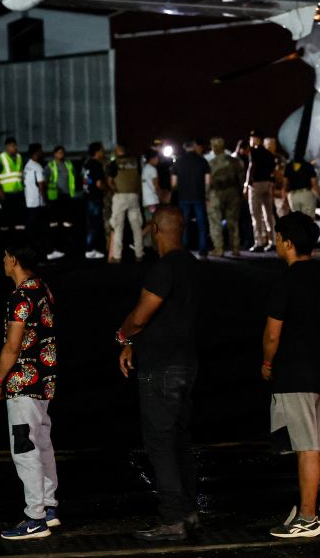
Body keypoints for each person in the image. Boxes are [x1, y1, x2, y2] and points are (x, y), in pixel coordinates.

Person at [116, 206, 200, 541]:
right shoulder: (193, 265)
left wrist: (123, 336)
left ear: (154, 229)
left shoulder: (163, 269)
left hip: (161, 366)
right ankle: (190, 512)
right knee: (180, 440)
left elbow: (141, 316)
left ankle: (171, 520)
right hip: (187, 363)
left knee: (160, 443)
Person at [262, 212, 320, 538]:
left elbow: (272, 333)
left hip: (296, 372)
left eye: (279, 237)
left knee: (306, 446)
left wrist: (267, 363)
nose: (278, 243)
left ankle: (307, 518)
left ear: (289, 243)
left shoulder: (286, 280)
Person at [0, 240, 60, 540]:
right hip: (44, 381)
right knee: (42, 443)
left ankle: (35, 517)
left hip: (22, 383)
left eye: (5, 256)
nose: (3, 261)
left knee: (25, 449)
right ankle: (49, 506)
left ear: (14, 260)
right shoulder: (42, 288)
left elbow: (12, 345)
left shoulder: (20, 297)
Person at [170, 140, 211, 255]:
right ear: (194, 147)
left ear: (184, 147)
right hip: (199, 196)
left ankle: (184, 247)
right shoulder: (202, 161)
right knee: (202, 223)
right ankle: (203, 249)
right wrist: (207, 196)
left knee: (184, 223)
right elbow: (208, 181)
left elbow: (173, 183)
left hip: (183, 196)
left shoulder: (178, 162)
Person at [22, 143, 62, 260]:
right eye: (41, 150)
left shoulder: (27, 166)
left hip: (29, 201)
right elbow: (41, 186)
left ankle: (36, 251)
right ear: (37, 152)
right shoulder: (37, 167)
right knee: (43, 228)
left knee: (33, 229)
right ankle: (47, 252)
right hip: (38, 203)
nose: (42, 153)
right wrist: (46, 201)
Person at [206, 137, 244, 257]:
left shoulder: (211, 163)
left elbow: (208, 182)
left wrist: (206, 195)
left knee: (215, 220)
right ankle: (235, 248)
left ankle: (219, 248)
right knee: (233, 221)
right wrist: (240, 192)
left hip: (216, 193)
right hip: (233, 193)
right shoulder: (235, 161)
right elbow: (241, 179)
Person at [107, 145, 145, 263]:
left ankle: (117, 256)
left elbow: (110, 182)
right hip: (134, 196)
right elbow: (139, 179)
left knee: (118, 227)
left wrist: (115, 190)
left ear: (116, 152)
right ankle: (139, 254)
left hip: (120, 197)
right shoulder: (135, 162)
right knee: (137, 227)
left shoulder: (114, 164)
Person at [245, 133, 277, 252]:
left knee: (256, 214)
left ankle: (259, 242)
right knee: (269, 214)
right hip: (267, 184)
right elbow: (273, 170)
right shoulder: (269, 153)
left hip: (256, 184)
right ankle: (272, 241)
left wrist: (248, 182)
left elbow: (251, 166)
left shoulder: (253, 151)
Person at [46, 146, 76, 257]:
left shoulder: (68, 164)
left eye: (62, 152)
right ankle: (54, 247)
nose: (61, 154)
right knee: (55, 223)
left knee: (67, 222)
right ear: (54, 154)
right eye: (58, 152)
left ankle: (67, 245)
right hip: (55, 197)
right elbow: (44, 181)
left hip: (67, 195)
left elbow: (73, 176)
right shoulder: (50, 165)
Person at [0, 137, 26, 236]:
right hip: (7, 193)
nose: (15, 148)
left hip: (18, 191)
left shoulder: (19, 157)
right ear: (7, 147)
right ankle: (8, 240)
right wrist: (0, 190)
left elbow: (21, 173)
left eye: (15, 145)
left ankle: (18, 239)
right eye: (12, 146)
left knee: (19, 218)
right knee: (8, 218)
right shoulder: (1, 158)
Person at [83, 142, 108, 259]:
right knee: (95, 225)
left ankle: (90, 249)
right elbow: (99, 184)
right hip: (95, 198)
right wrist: (106, 189)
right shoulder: (97, 165)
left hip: (87, 197)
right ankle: (90, 250)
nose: (103, 152)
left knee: (91, 225)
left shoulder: (87, 164)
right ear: (97, 151)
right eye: (102, 150)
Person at [265, 137, 290, 218]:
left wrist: (284, 190)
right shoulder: (260, 158)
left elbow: (284, 175)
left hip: (278, 192)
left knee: (282, 214)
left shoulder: (280, 158)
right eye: (268, 146)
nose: (270, 148)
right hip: (265, 192)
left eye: (272, 145)